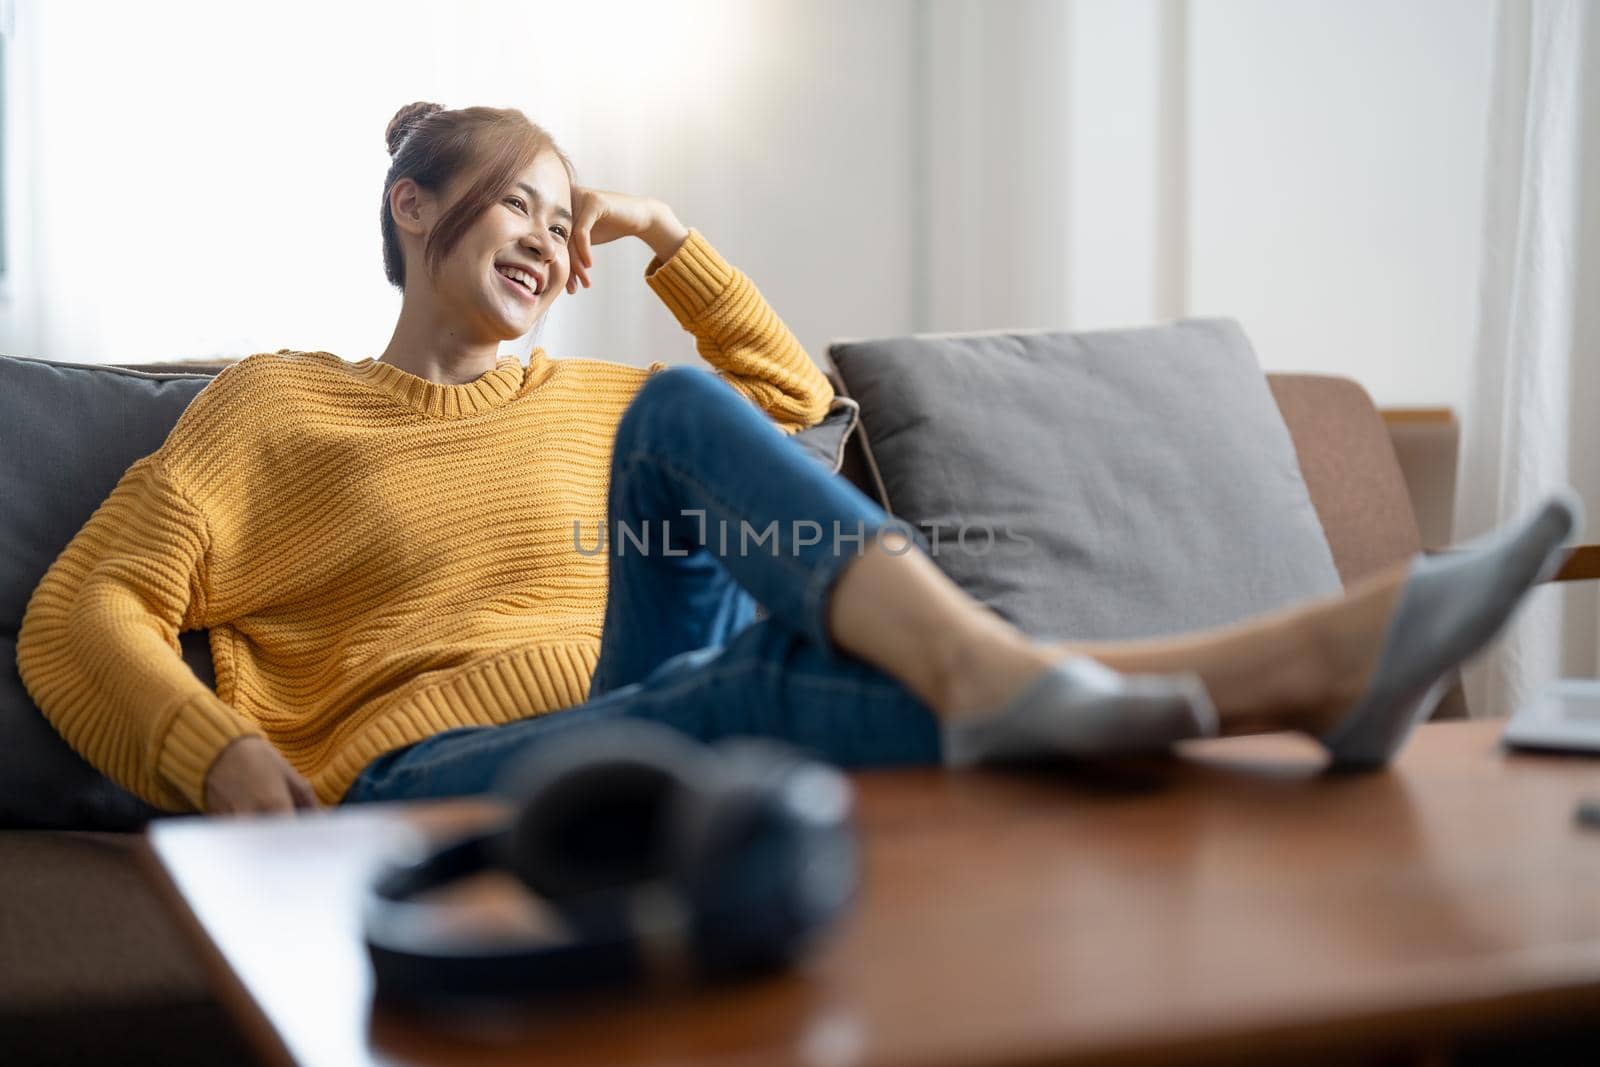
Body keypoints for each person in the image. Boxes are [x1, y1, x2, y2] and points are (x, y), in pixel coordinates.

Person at [15, 103, 1582, 817]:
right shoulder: (273, 408)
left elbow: (783, 402)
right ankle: (1298, 663)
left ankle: (1078, 674)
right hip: (414, 771)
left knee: (677, 421)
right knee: (747, 704)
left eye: (571, 221)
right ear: (417, 209)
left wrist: (668, 239)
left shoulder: (594, 393)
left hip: (629, 693)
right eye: (517, 203)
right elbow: (85, 610)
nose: (555, 237)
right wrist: (212, 755)